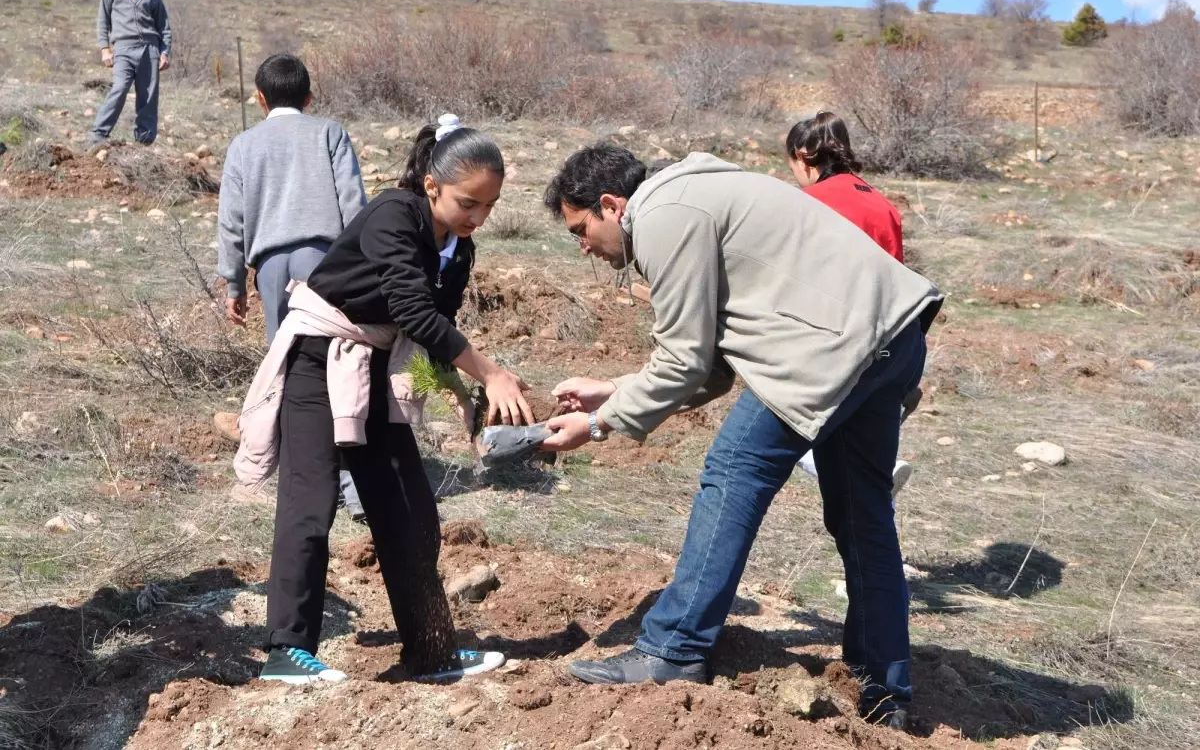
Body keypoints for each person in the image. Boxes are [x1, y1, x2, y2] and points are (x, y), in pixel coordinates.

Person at [540, 144, 942, 729]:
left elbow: (682, 361)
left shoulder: (659, 215)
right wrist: (613, 390)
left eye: (581, 229)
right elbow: (709, 365)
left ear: (610, 204)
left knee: (732, 474)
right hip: (892, 338)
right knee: (863, 516)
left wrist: (598, 425)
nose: (584, 247)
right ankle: (885, 689)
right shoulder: (697, 192)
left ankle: (672, 650)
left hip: (829, 350)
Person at [248, 115, 531, 684]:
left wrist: (458, 388)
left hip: (372, 365)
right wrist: (490, 371)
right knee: (312, 499)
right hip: (318, 357)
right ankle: (287, 651)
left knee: (410, 509)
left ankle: (431, 653)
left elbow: (432, 327)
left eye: (489, 206)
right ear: (432, 185)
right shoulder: (393, 213)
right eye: (468, 202)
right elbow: (412, 311)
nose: (478, 217)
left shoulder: (456, 246)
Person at [217, 53, 369, 519]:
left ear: (260, 99)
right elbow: (354, 204)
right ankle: (350, 482)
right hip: (326, 261)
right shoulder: (330, 133)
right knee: (338, 365)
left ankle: (292, 475)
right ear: (309, 96)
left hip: (269, 266)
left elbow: (232, 220)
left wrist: (233, 283)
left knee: (284, 369)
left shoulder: (243, 144)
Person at [785, 111, 919, 493]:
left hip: (833, 332)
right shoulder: (881, 203)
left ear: (803, 154)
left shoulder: (810, 202)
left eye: (792, 164)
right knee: (860, 440)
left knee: (780, 428)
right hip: (889, 337)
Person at [89, 0, 171, 148]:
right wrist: (105, 49)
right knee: (119, 89)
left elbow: (164, 28)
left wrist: (164, 52)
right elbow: (103, 22)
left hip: (149, 50)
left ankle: (144, 141)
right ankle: (97, 136)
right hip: (123, 49)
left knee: (148, 96)